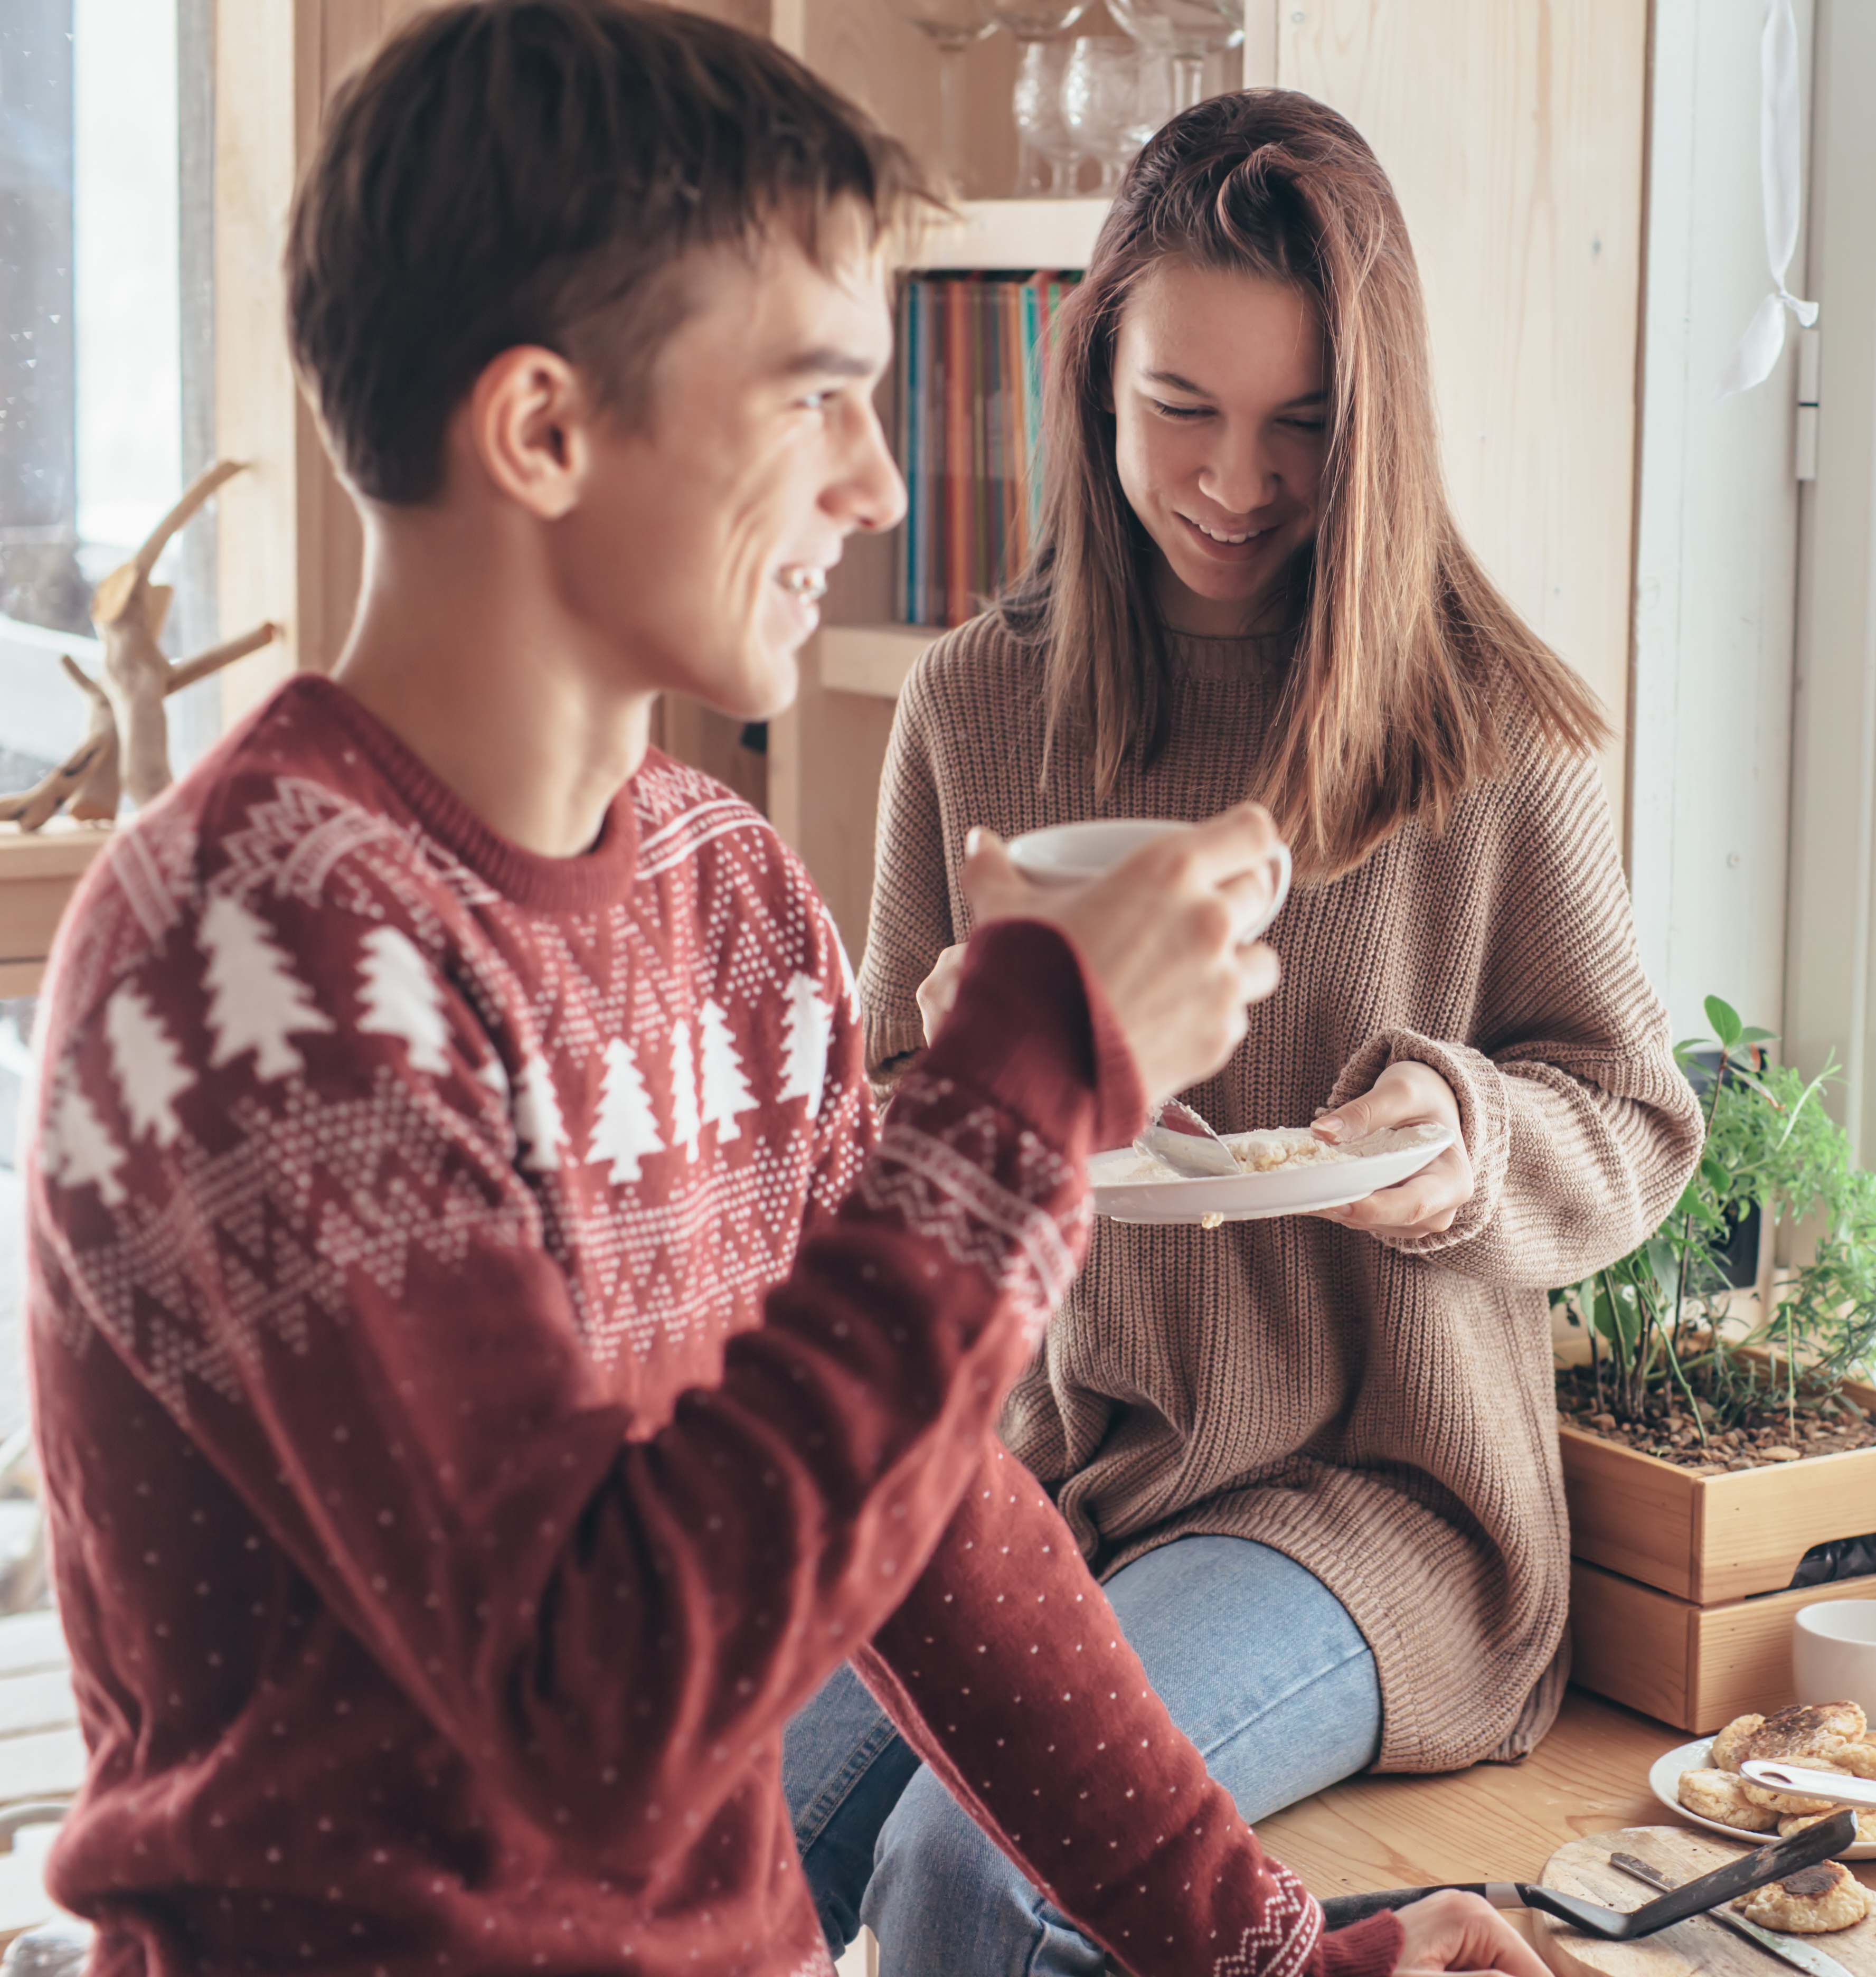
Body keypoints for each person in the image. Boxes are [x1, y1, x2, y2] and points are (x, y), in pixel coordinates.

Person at [20, 7, 1549, 1975]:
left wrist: (1265, 1951)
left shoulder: (727, 896)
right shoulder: (258, 952)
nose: (880, 485)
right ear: (545, 430)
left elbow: (924, 1522)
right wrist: (1031, 1078)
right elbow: (589, 1726)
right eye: (814, 394)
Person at [785, 89, 1703, 1976]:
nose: (1235, 480)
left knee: (973, 1873)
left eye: (1302, 428)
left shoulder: (1492, 733)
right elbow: (861, 1142)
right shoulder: (977, 701)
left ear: (1378, 431)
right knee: (729, 1805)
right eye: (1181, 412)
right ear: (1095, 377)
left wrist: (1463, 1145)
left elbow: (1637, 1117)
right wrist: (964, 1071)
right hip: (1040, 1479)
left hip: (1373, 1514)